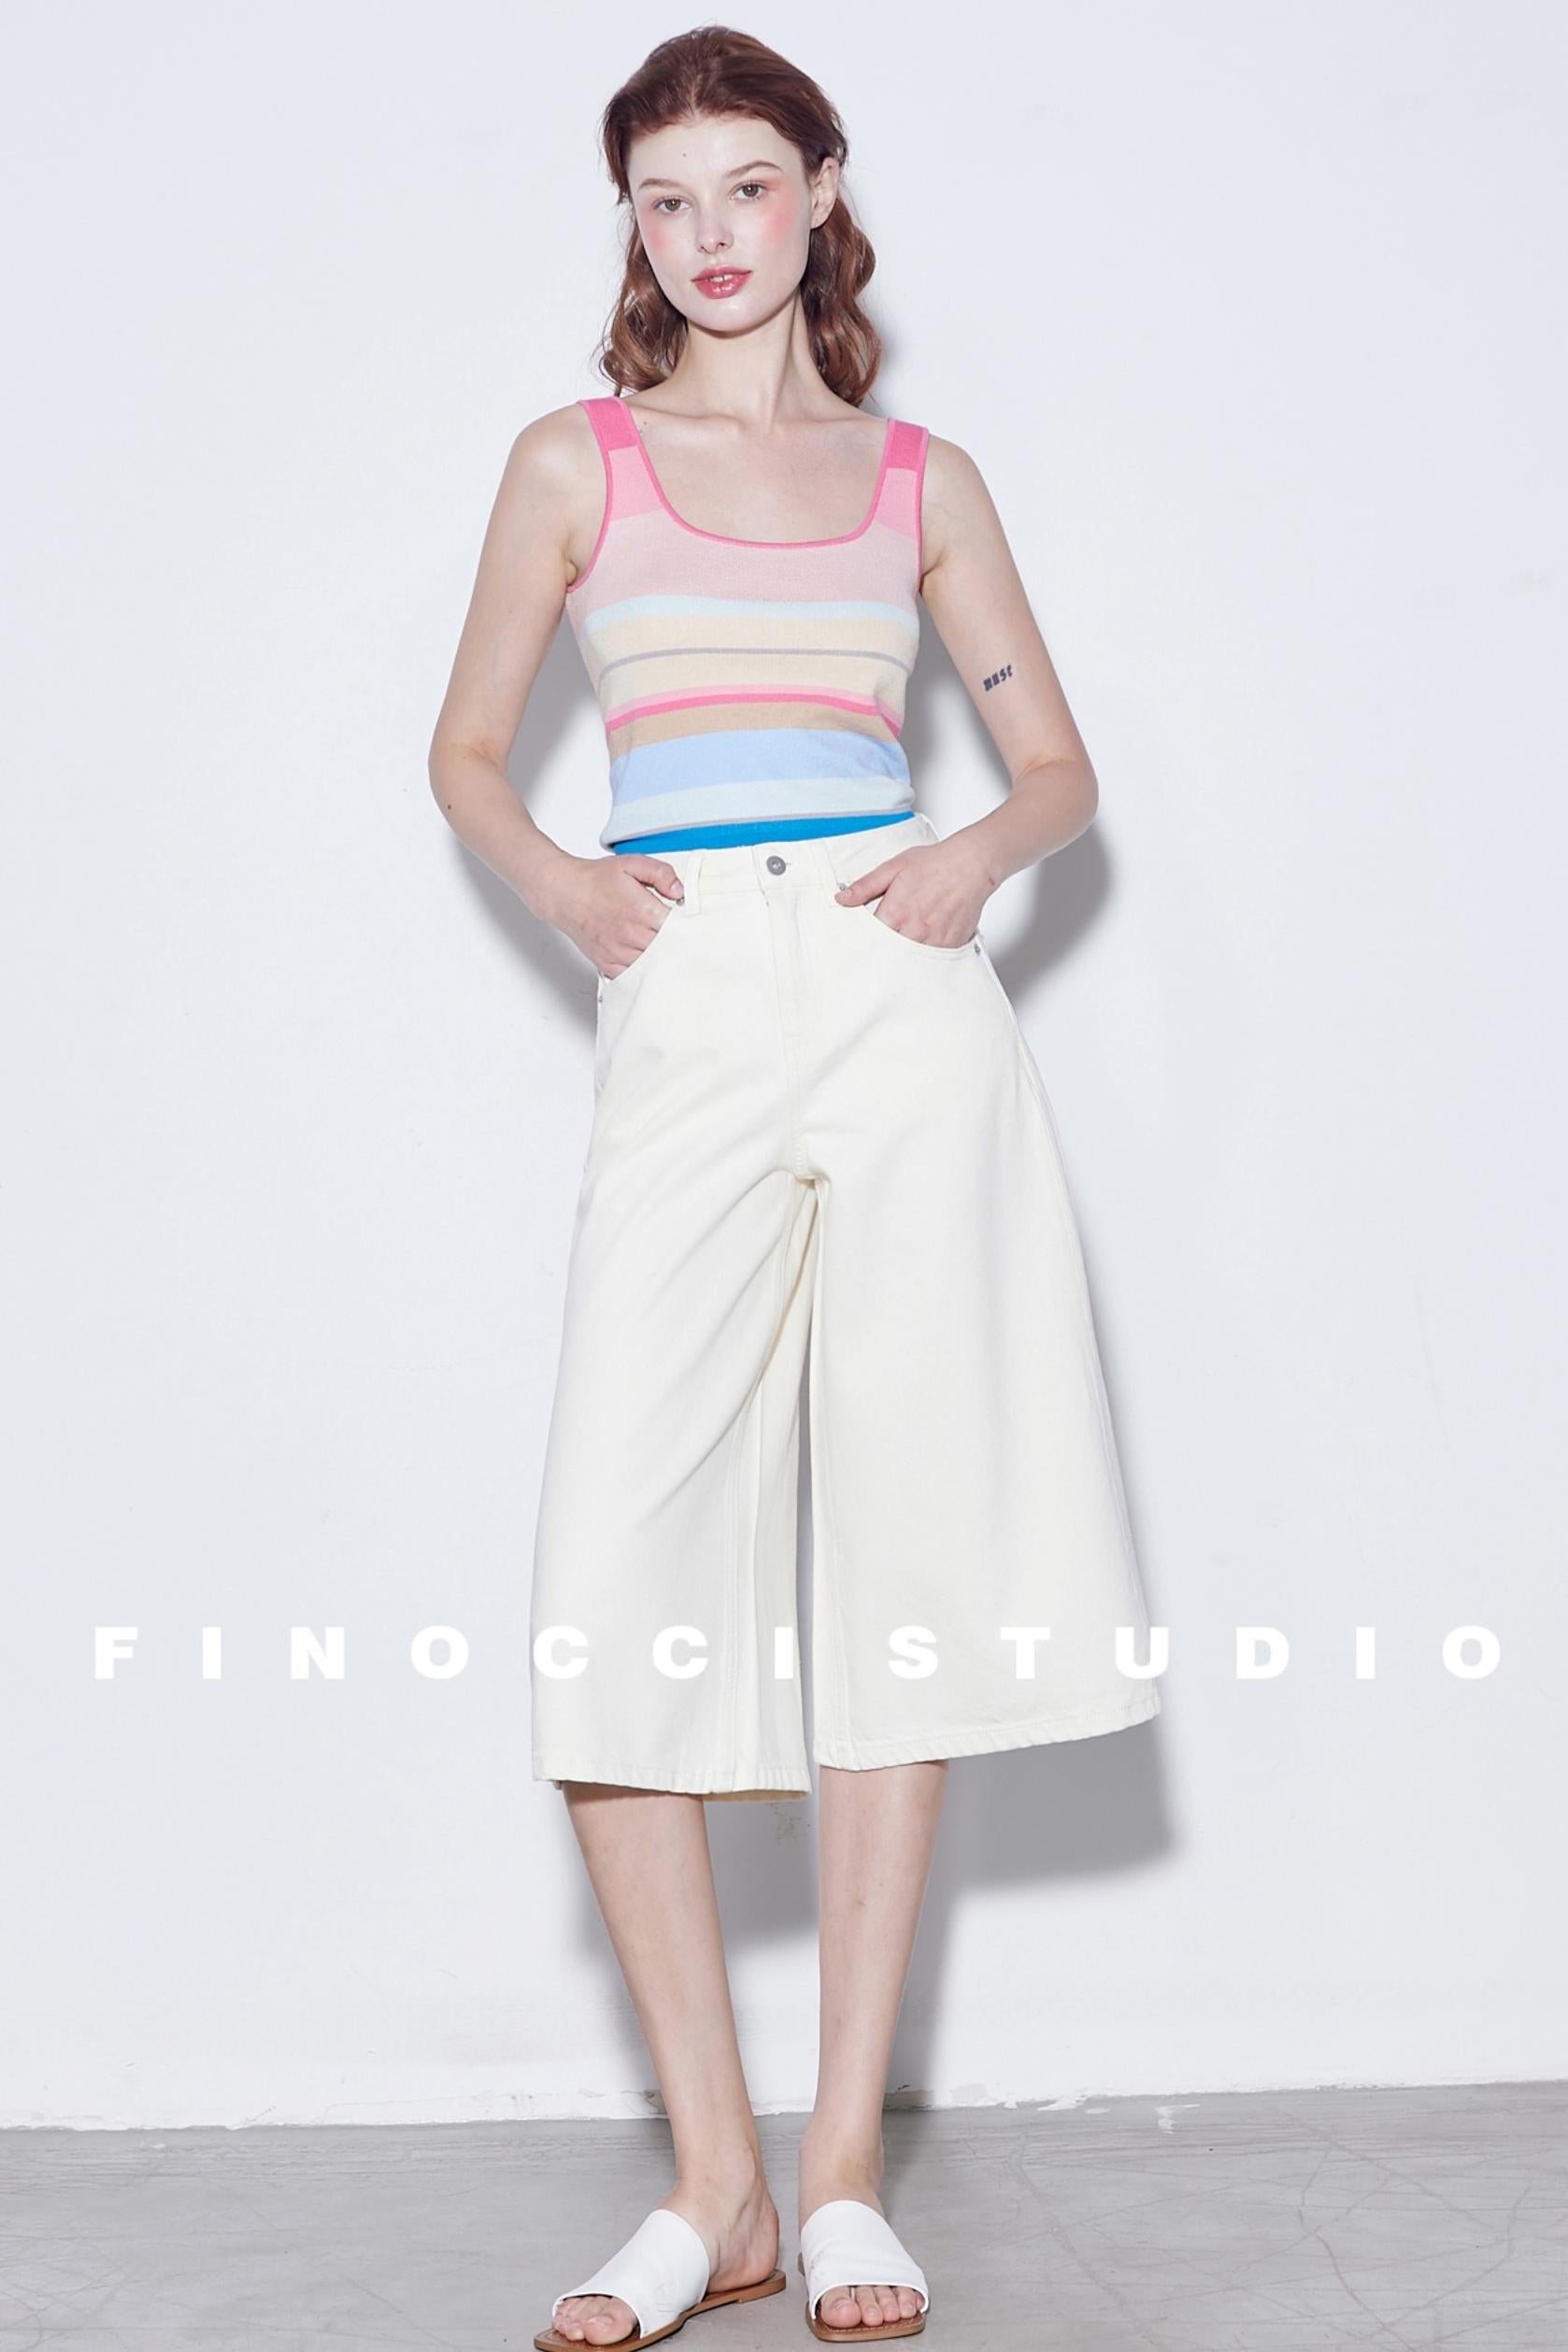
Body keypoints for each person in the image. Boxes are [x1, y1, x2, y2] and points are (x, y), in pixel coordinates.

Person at [428, 27, 1161, 2348]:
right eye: (667, 197)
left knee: (906, 1553)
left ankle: (835, 2170)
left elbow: (1055, 767)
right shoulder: (574, 461)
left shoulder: (913, 475)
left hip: (891, 978)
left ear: (820, 190)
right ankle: (710, 2178)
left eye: (748, 184)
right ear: (632, 223)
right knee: (610, 1578)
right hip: (686, 999)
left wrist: (971, 852)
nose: (710, 232)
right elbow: (466, 748)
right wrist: (564, 880)